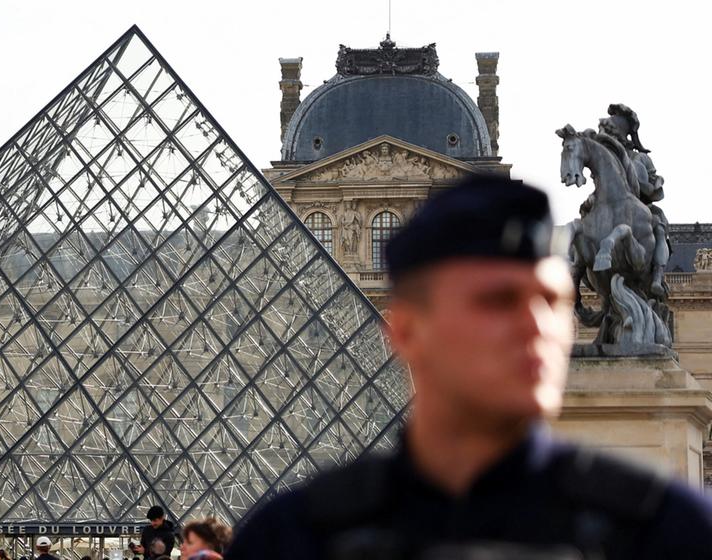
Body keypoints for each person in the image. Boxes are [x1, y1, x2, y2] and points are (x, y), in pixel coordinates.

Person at [225, 174, 712, 559]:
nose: (535, 324)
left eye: (551, 300)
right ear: (405, 331)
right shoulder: (288, 540)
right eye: (497, 301)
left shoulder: (672, 532)